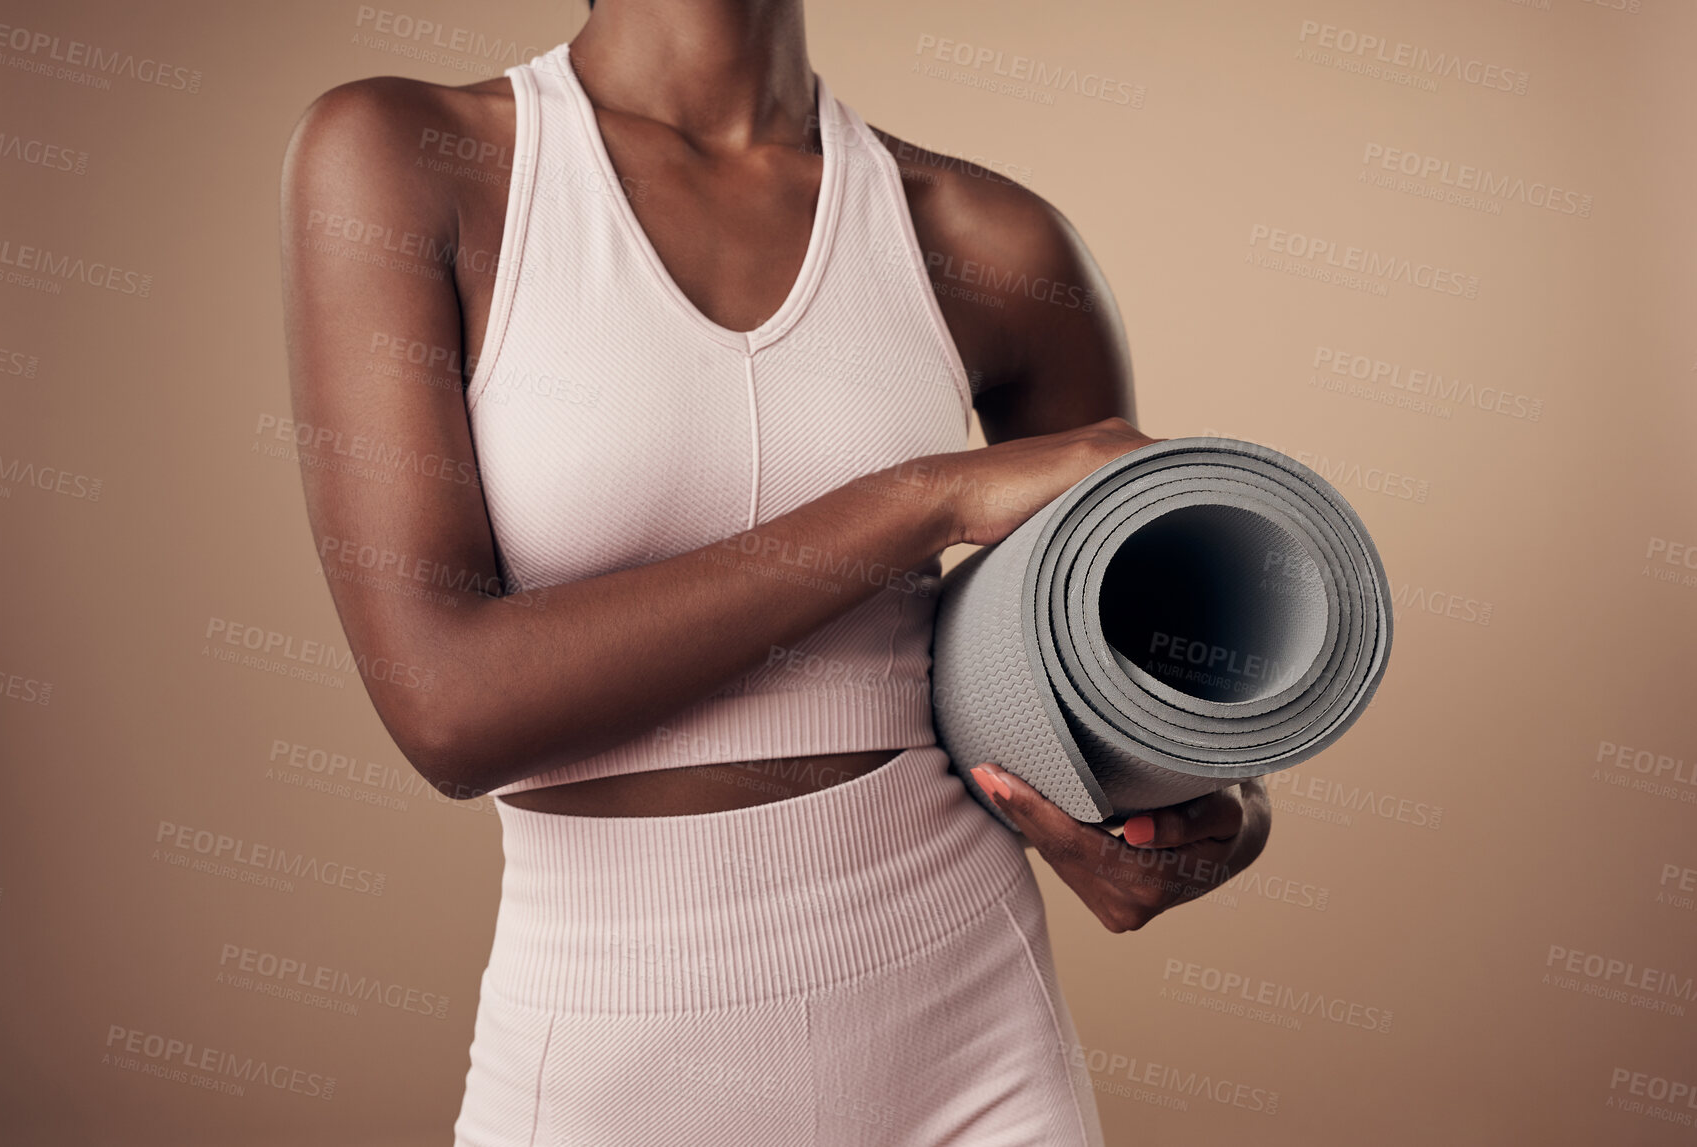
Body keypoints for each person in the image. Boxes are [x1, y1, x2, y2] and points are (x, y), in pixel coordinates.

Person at [279, 1, 1271, 1142]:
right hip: (610, 1067)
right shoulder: (406, 156)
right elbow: (446, 707)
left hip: (976, 1053)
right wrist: (921, 496)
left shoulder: (991, 239)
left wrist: (1209, 823)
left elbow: (1141, 694)